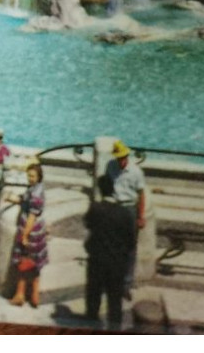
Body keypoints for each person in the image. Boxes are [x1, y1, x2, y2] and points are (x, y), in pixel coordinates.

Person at [84, 173, 136, 331]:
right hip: (117, 263)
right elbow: (131, 241)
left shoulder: (96, 208)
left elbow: (88, 224)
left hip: (97, 260)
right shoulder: (125, 213)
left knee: (93, 298)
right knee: (115, 302)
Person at [103, 141, 147, 293]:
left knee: (129, 248)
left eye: (123, 157)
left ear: (127, 156)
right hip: (115, 207)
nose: (121, 160)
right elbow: (107, 188)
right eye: (118, 157)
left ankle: (126, 284)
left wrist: (141, 216)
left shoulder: (136, 172)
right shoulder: (110, 166)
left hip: (129, 209)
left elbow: (141, 195)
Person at [8, 162, 49, 308]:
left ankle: (20, 295)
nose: (30, 178)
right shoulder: (37, 189)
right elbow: (25, 200)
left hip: (30, 231)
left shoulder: (36, 194)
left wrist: (25, 235)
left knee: (23, 263)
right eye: (28, 175)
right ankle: (34, 296)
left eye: (32, 176)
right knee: (35, 264)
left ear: (39, 177)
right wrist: (12, 199)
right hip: (38, 231)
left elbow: (31, 216)